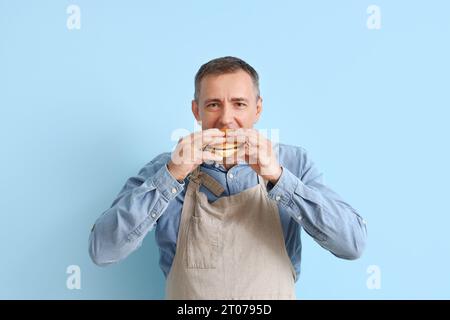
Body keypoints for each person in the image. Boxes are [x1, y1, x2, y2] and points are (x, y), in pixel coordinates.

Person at [89, 56, 367, 300]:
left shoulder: (293, 163)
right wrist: (171, 176)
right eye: (213, 105)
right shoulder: (165, 168)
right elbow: (102, 251)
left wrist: (278, 178)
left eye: (239, 104)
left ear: (257, 109)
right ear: (196, 111)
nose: (226, 119)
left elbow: (351, 244)